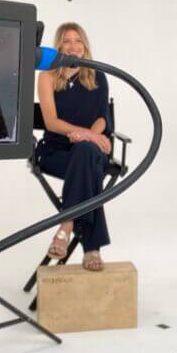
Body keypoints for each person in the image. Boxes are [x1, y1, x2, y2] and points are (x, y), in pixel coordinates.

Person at [36, 22, 112, 272]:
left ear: (85, 46)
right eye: (67, 41)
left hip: (89, 149)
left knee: (86, 154)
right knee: (88, 166)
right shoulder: (46, 76)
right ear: (59, 46)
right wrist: (87, 135)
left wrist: (89, 137)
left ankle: (66, 226)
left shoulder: (97, 75)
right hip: (56, 151)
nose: (73, 46)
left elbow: (103, 117)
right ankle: (92, 248)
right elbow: (51, 122)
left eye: (78, 40)